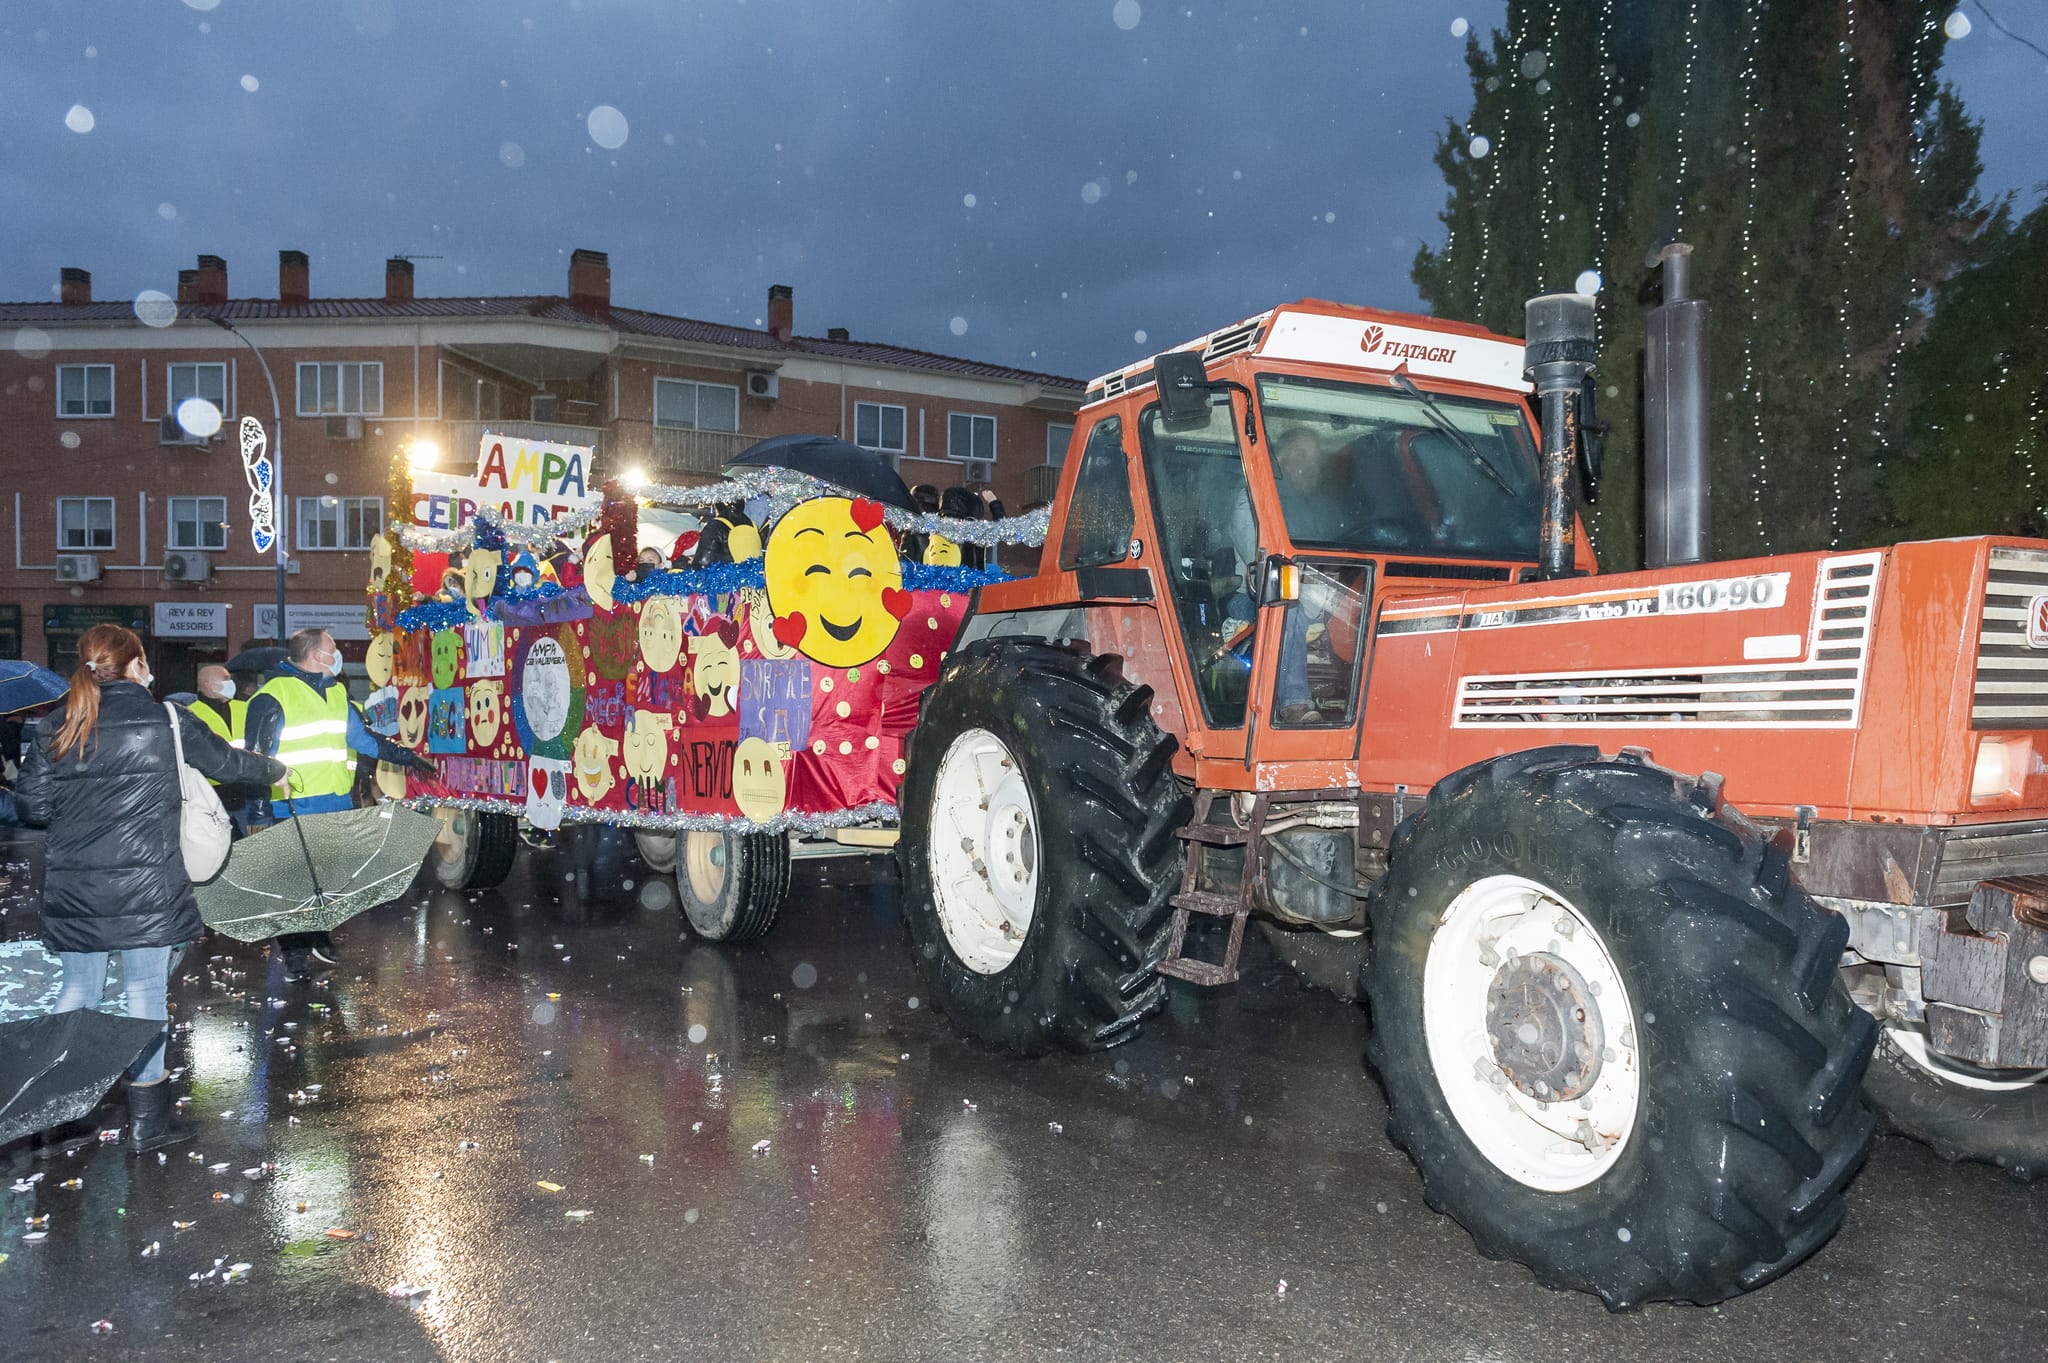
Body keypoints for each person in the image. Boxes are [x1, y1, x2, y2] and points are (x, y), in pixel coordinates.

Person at [15, 624, 287, 1152]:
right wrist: (275, 770)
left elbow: (34, 808)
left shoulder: (56, 724)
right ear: (137, 665)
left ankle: (60, 1110)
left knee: (78, 991)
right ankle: (148, 1121)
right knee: (143, 991)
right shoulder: (167, 719)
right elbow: (227, 762)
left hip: (77, 887)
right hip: (149, 883)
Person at [245, 628, 432, 977]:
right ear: (317, 655)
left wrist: (407, 757)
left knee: (328, 883)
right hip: (292, 807)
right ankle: (295, 952)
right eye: (332, 648)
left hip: (335, 805)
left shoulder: (336, 692)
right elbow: (254, 758)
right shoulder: (272, 696)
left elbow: (363, 739)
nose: (338, 654)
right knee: (296, 886)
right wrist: (258, 812)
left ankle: (318, 935)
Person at [188, 665, 264, 836]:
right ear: (207, 685)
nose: (231, 683)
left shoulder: (244, 707)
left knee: (253, 839)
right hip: (212, 792)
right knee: (219, 840)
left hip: (247, 788)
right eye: (225, 679)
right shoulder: (192, 714)